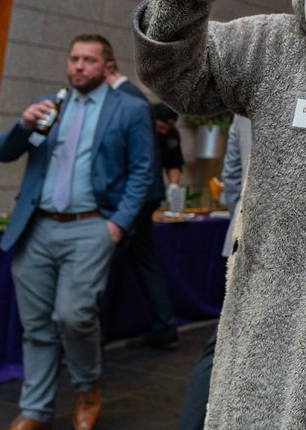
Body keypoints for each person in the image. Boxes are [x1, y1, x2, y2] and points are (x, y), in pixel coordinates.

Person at [0, 34, 154, 430]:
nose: (79, 66)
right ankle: (35, 410)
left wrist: (116, 225)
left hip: (90, 227)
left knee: (73, 315)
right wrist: (22, 124)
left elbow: (143, 172)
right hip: (37, 228)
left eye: (89, 60)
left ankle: (86, 388)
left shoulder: (130, 109)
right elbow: (4, 153)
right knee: (36, 326)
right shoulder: (51, 105)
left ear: (107, 66)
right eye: (74, 59)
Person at [176, 115, 250, 430]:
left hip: (243, 241)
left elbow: (231, 178)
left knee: (224, 341)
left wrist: (242, 226)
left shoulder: (245, 104)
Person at [106, 67, 179, 350]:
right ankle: (163, 325)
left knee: (107, 262)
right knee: (145, 260)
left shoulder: (126, 98)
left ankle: (96, 335)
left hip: (133, 196)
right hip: (147, 194)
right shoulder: (136, 99)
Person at [153, 103, 185, 185]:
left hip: (156, 182)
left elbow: (174, 164)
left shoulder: (172, 134)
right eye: (161, 127)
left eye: (167, 128)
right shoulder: (141, 131)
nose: (164, 132)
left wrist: (174, 185)